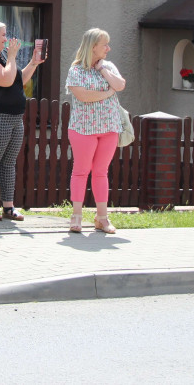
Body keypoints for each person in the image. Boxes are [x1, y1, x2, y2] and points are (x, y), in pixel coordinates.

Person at [0, 19, 44, 222]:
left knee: (9, 163)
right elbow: (5, 79)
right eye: (3, 35)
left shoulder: (2, 57)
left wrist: (34, 63)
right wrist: (12, 56)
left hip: (14, 118)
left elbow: (18, 80)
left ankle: (8, 206)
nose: (6, 39)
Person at [65, 28, 126, 234]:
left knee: (101, 172)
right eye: (104, 45)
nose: (108, 48)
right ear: (92, 47)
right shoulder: (76, 70)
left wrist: (104, 71)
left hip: (109, 127)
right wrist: (107, 92)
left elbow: (120, 85)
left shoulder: (107, 66)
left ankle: (102, 218)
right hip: (83, 129)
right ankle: (76, 217)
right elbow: (83, 96)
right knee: (81, 171)